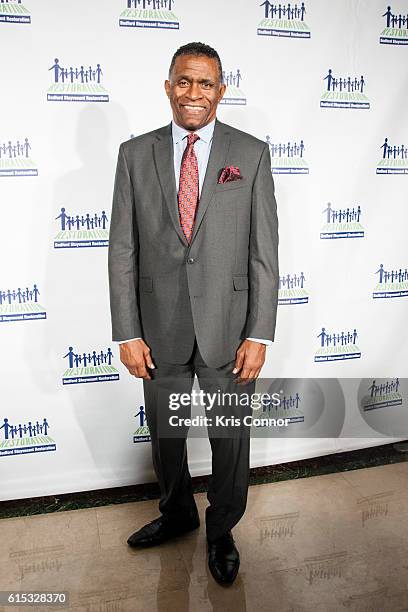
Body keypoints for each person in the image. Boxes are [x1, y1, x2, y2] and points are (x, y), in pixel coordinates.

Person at [108, 42, 279, 586]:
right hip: (159, 328)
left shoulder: (249, 154)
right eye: (184, 81)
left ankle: (222, 528)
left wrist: (259, 332)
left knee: (230, 439)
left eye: (206, 84)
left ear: (221, 91)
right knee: (166, 434)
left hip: (230, 328)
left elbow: (263, 252)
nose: (194, 93)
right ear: (167, 86)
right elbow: (123, 251)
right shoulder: (135, 155)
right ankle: (177, 512)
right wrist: (127, 331)